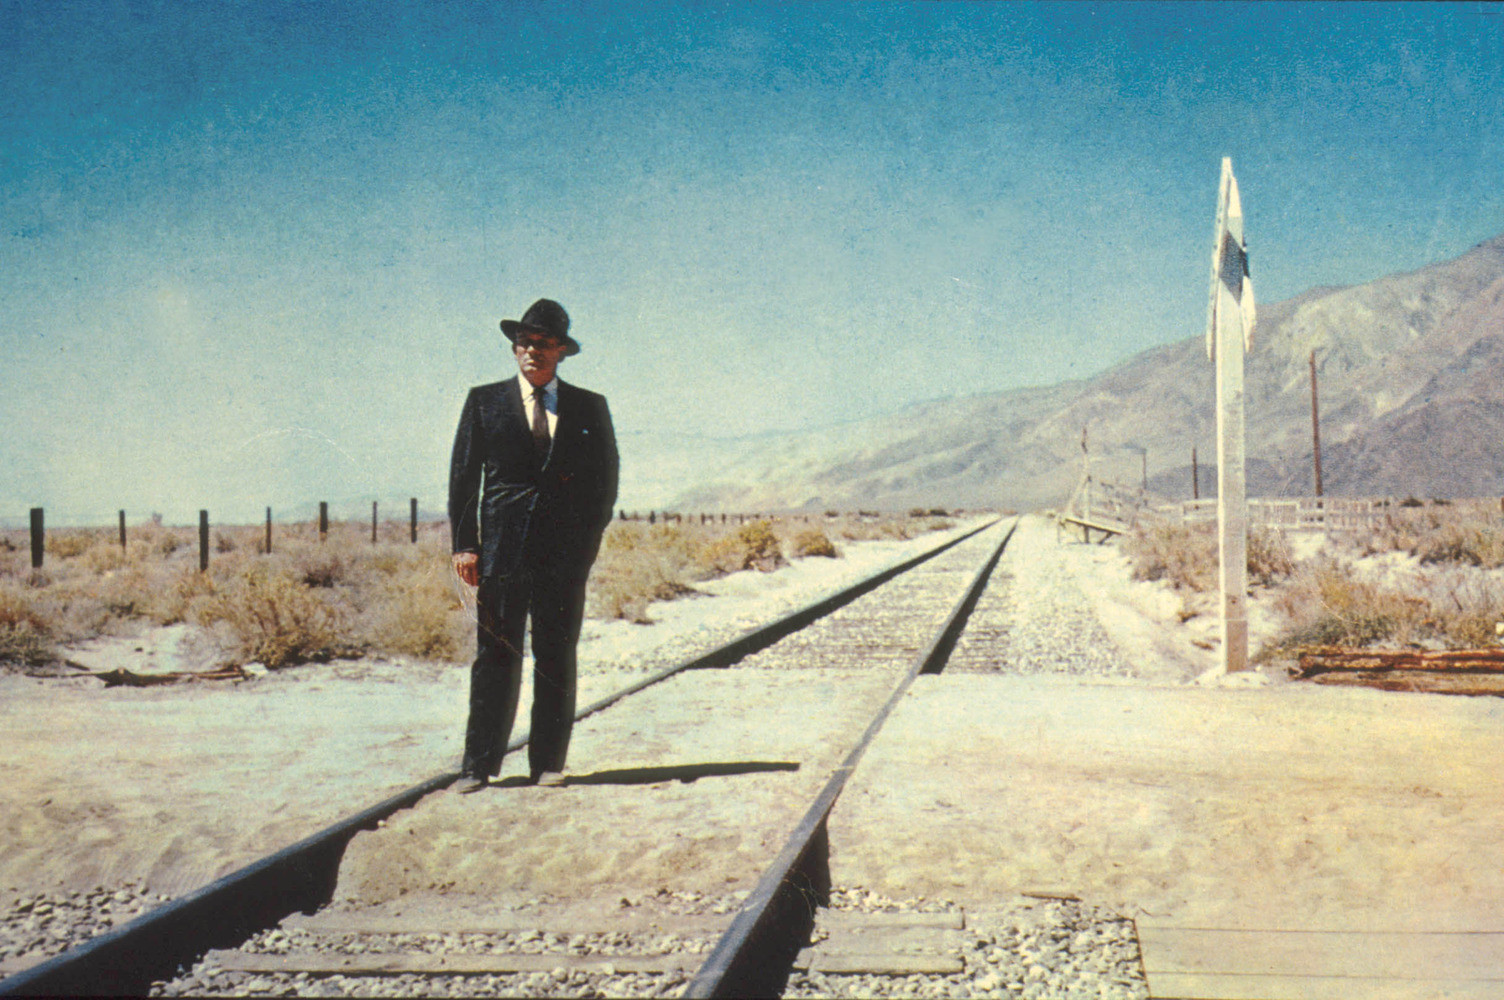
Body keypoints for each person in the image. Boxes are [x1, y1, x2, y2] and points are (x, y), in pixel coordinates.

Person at [448, 298, 619, 792]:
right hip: (501, 553)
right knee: (495, 655)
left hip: (563, 557)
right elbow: (463, 479)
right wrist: (466, 545)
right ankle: (477, 766)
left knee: (555, 655)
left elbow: (605, 483)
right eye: (524, 342)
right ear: (514, 347)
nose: (532, 351)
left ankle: (548, 763)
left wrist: (587, 545)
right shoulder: (484, 402)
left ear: (561, 350)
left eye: (544, 344)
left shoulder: (590, 407)